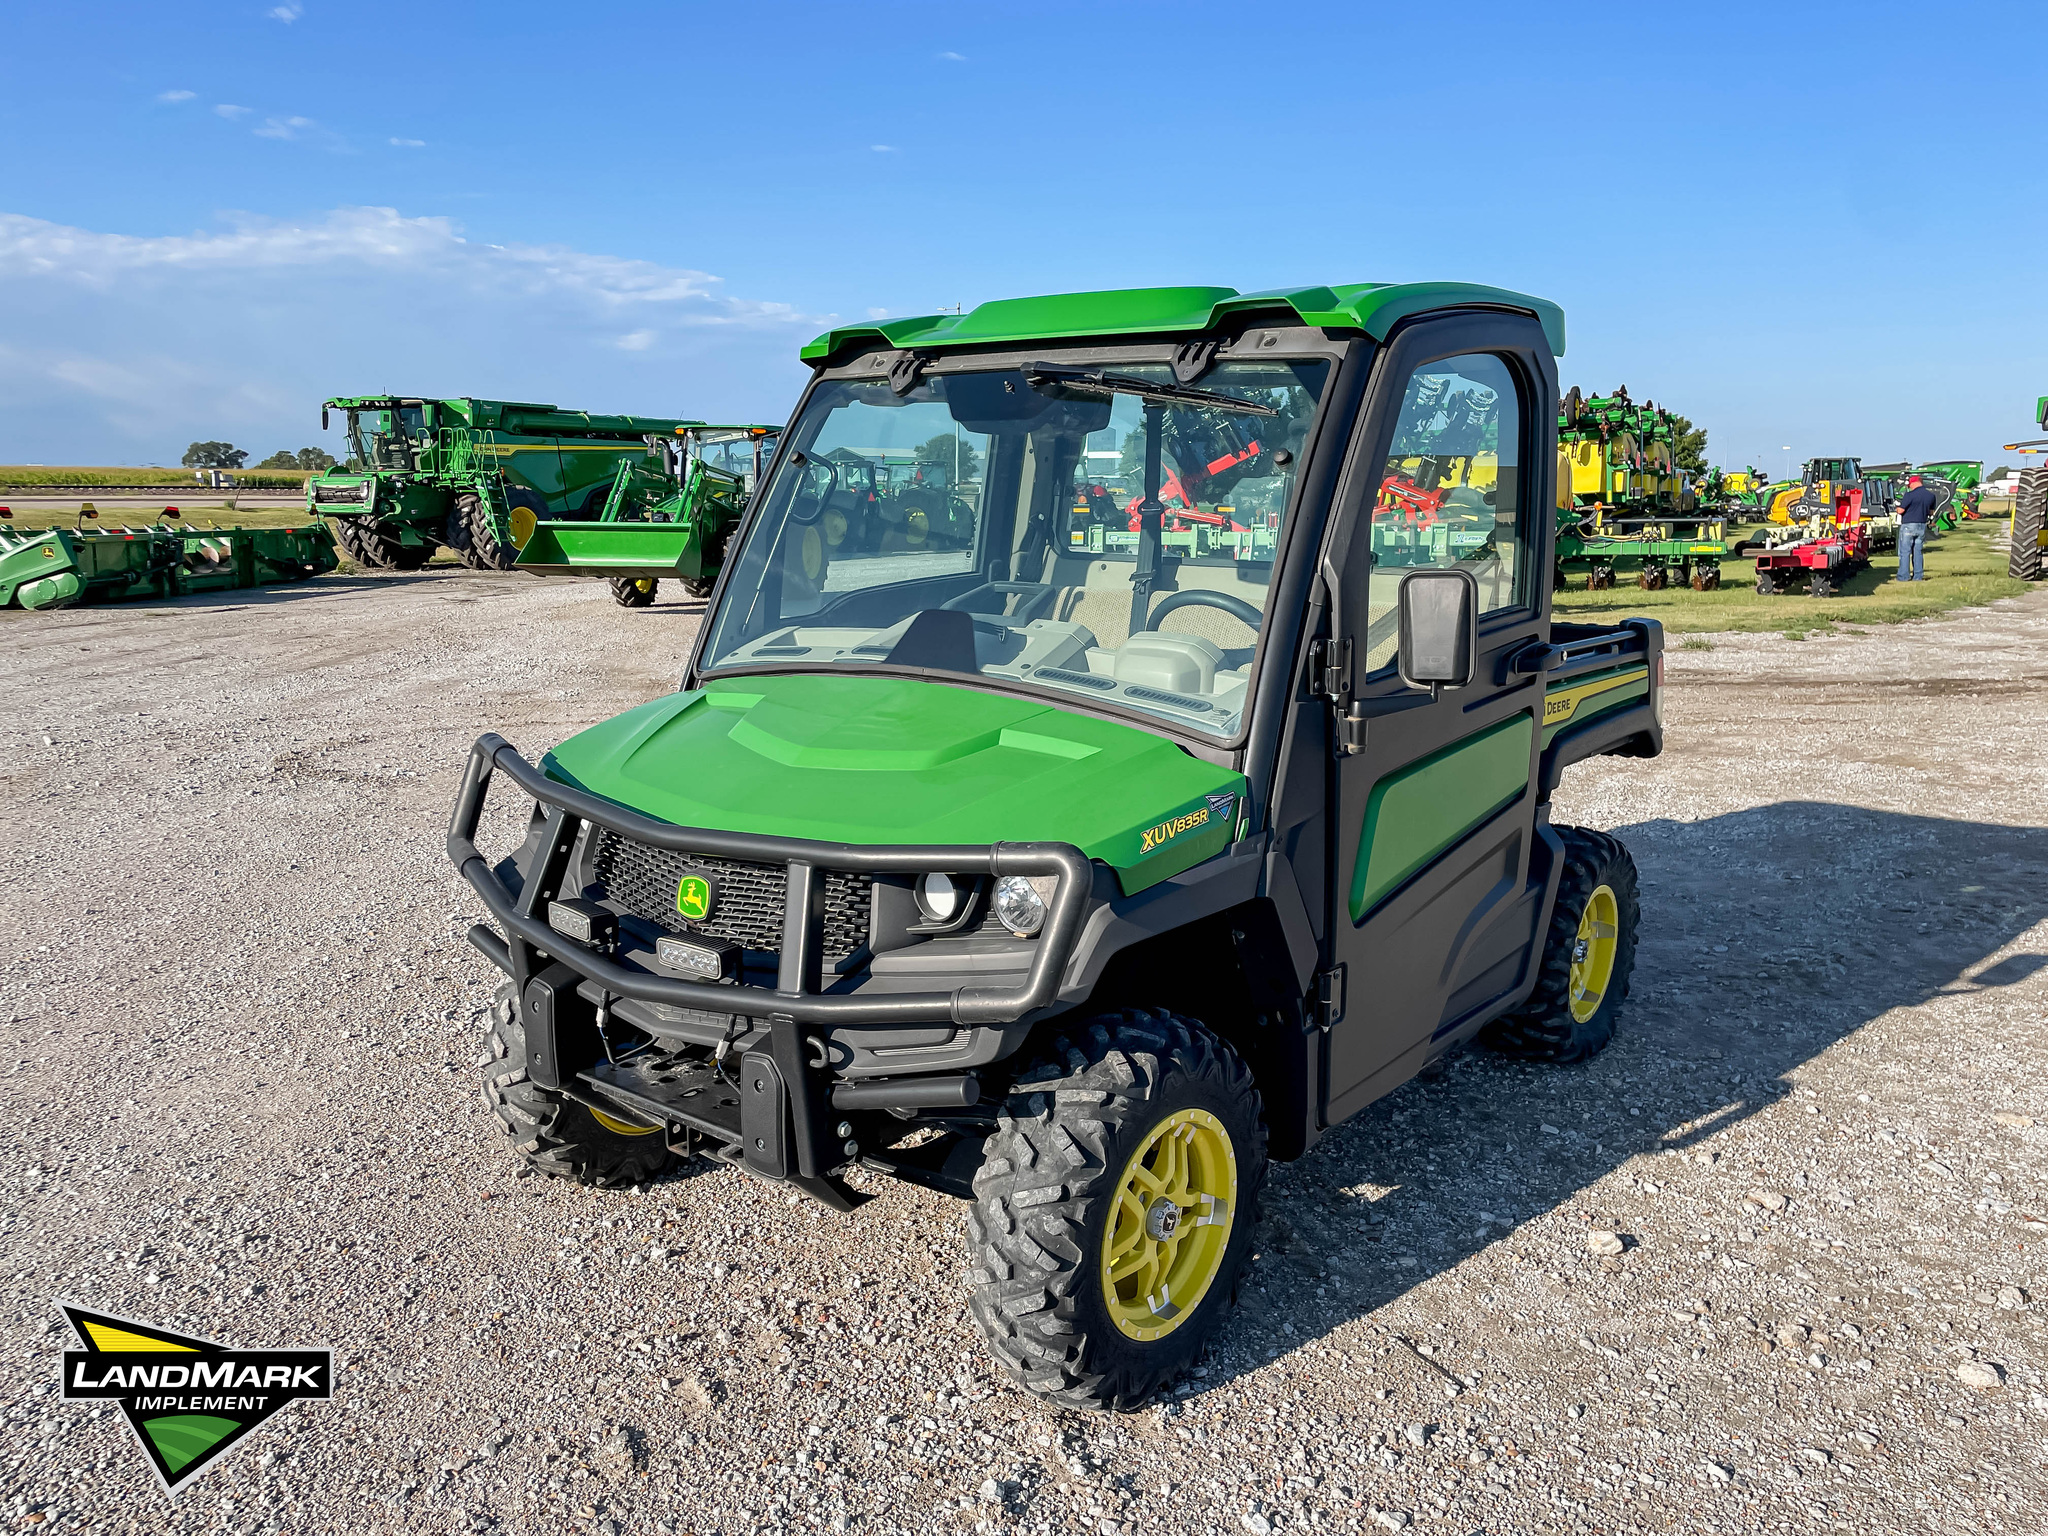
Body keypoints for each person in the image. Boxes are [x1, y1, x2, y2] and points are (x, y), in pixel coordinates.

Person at [1895, 474, 1937, 581]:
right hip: (1921, 525)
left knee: (1905, 552)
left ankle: (1903, 576)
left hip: (1908, 525)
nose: (1910, 487)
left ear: (1913, 483)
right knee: (1918, 551)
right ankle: (1918, 576)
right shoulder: (1931, 496)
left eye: (1910, 485)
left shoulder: (1909, 495)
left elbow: (1901, 511)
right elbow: (1931, 512)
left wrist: (1896, 507)